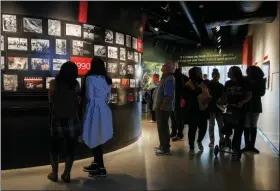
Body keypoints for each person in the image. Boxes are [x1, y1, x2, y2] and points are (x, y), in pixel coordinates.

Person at [47, 61, 81, 183]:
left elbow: (51, 101)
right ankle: (66, 174)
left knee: (55, 148)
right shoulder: (76, 84)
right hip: (72, 119)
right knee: (70, 148)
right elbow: (77, 102)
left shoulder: (53, 83)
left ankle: (54, 174)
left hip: (56, 119)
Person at [82, 58, 113, 178]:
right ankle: (97, 163)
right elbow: (107, 96)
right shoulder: (107, 79)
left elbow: (89, 96)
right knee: (99, 136)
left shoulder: (90, 78)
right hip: (104, 109)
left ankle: (100, 167)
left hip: (93, 109)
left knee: (93, 135)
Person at [221, 66, 252, 155]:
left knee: (238, 130)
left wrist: (242, 102)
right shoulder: (227, 83)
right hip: (230, 108)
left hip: (241, 109)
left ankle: (235, 147)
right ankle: (227, 139)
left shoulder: (244, 82)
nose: (227, 73)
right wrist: (224, 101)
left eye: (229, 71)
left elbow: (249, 95)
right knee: (227, 126)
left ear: (234, 73)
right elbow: (225, 95)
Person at [182, 67, 211, 156]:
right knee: (192, 130)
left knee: (203, 129)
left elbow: (208, 94)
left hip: (203, 110)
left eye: (201, 73)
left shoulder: (203, 84)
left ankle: (199, 140)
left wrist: (207, 99)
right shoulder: (187, 85)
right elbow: (190, 97)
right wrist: (199, 89)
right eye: (199, 73)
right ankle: (191, 147)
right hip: (192, 111)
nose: (200, 75)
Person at [153, 61, 175, 155]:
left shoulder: (169, 79)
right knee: (161, 127)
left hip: (163, 108)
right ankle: (162, 145)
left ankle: (165, 148)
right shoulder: (165, 78)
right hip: (161, 108)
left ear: (168, 68)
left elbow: (168, 95)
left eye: (165, 65)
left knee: (163, 128)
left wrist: (162, 107)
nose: (162, 66)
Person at [242, 66, 266, 153]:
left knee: (253, 125)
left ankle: (252, 146)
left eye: (249, 72)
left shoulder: (261, 80)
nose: (248, 74)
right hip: (247, 105)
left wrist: (252, 87)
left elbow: (262, 93)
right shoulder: (245, 80)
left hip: (256, 105)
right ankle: (247, 145)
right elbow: (243, 90)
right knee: (247, 125)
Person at [170, 62, 189, 141]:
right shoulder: (174, 75)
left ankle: (179, 133)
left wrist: (181, 98)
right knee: (173, 116)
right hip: (173, 99)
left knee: (178, 117)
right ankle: (174, 131)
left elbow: (180, 88)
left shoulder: (179, 75)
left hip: (177, 99)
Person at [207, 69, 224, 148]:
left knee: (220, 125)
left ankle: (222, 140)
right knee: (211, 125)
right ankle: (212, 141)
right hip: (211, 108)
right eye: (215, 76)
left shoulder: (221, 86)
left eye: (217, 76)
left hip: (218, 108)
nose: (216, 77)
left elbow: (223, 97)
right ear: (212, 76)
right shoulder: (208, 85)